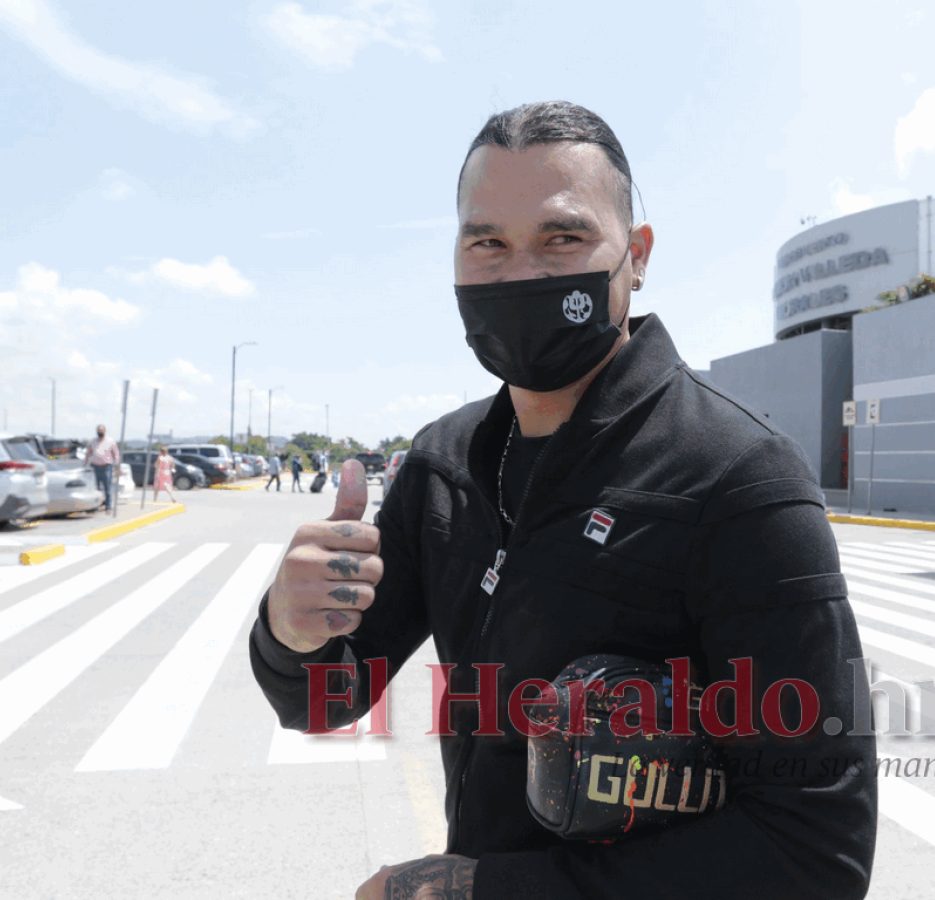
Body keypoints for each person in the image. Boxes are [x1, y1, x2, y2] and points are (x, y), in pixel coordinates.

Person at [250, 102, 877, 900]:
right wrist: (291, 628)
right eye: (488, 244)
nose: (520, 276)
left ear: (636, 255)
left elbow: (814, 852)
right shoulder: (444, 466)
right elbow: (325, 699)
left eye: (562, 238)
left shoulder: (740, 480)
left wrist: (478, 891)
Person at [83, 423, 120, 515]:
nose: (100, 431)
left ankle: (108, 507)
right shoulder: (92, 441)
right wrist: (84, 464)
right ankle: (95, 507)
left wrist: (116, 465)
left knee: (107, 487)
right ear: (96, 431)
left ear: (105, 431)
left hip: (107, 467)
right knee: (95, 488)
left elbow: (116, 454)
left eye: (102, 430)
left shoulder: (111, 441)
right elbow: (88, 453)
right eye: (99, 430)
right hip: (94, 467)